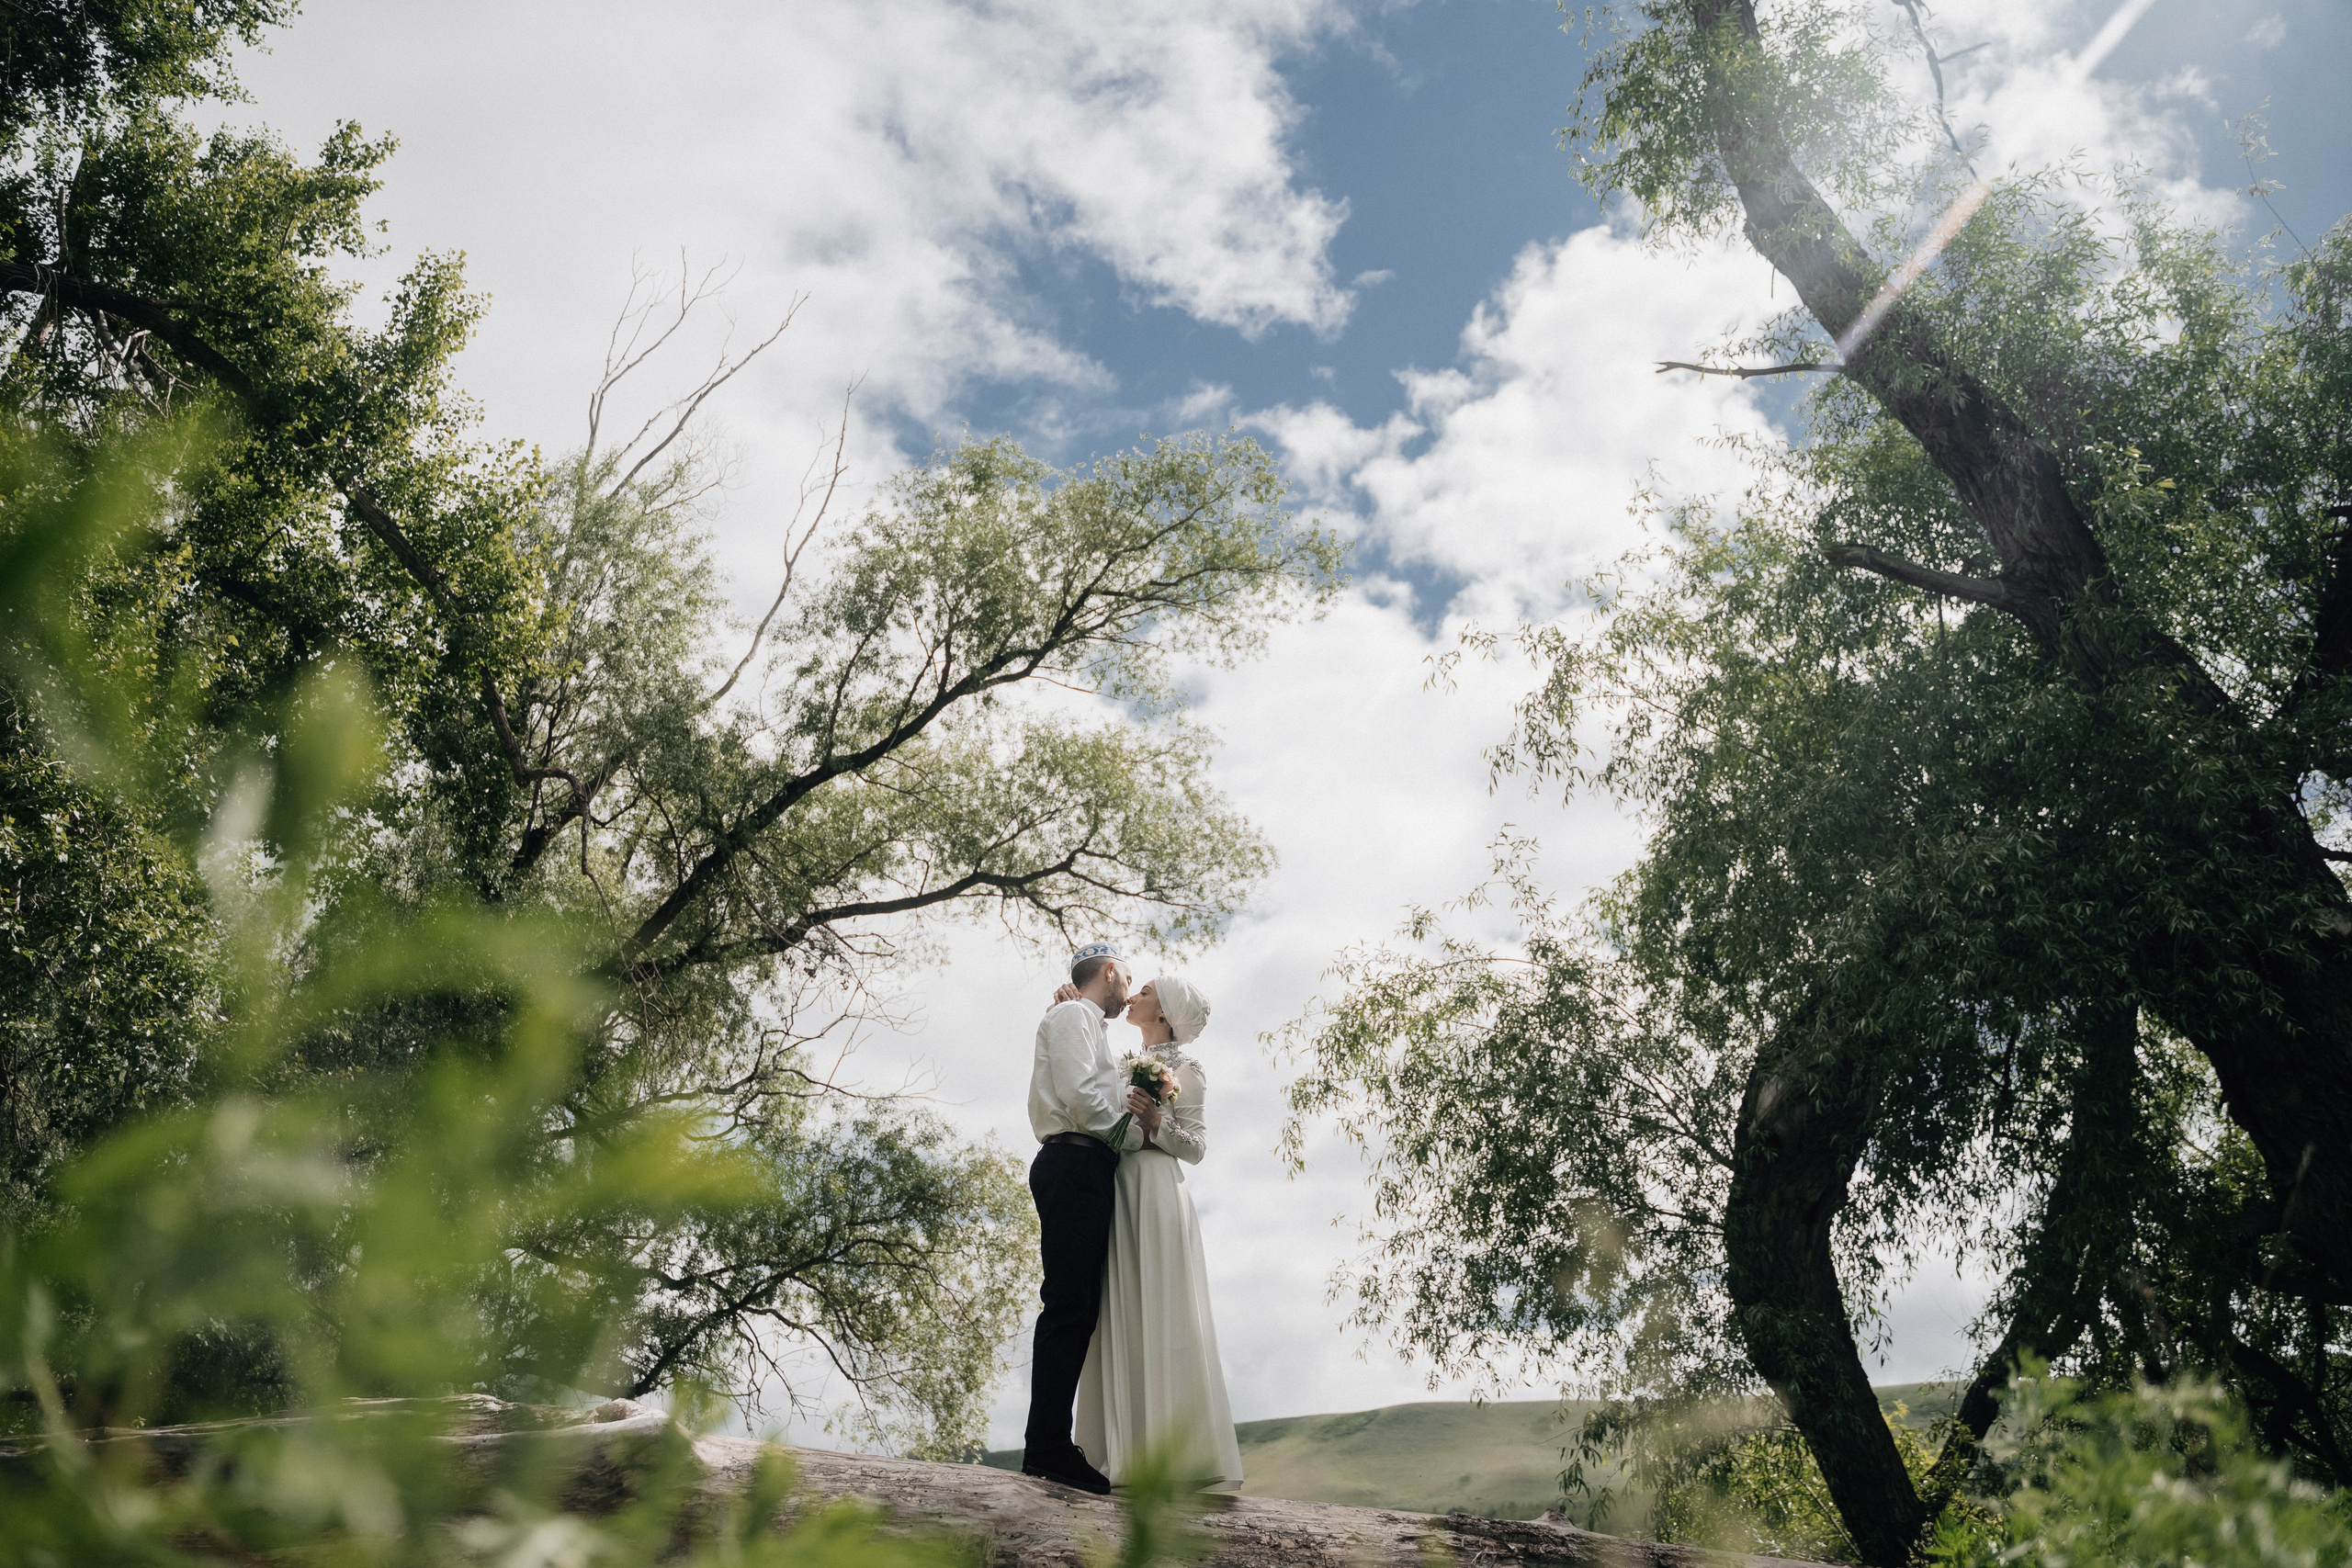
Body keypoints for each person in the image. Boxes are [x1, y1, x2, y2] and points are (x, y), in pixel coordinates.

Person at [1066, 973, 1244, 1491]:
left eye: (1145, 992)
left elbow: (1197, 1147)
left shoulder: (1187, 1070)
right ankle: (1118, 1453)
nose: (1134, 996)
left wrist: (1156, 1124)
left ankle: (1175, 1458)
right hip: (1116, 1189)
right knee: (1117, 1311)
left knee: (1164, 1310)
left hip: (1158, 1192)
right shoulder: (1119, 1064)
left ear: (1164, 1012)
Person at [1020, 941, 1163, 1494]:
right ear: (1109, 972)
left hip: (1086, 1165)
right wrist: (1131, 1138)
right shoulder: (1073, 1016)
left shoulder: (1084, 1022)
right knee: (1068, 1305)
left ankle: (1050, 1443)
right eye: (1128, 978)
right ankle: (1048, 1447)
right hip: (1074, 1161)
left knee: (1078, 1307)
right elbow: (1080, 1097)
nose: (1129, 989)